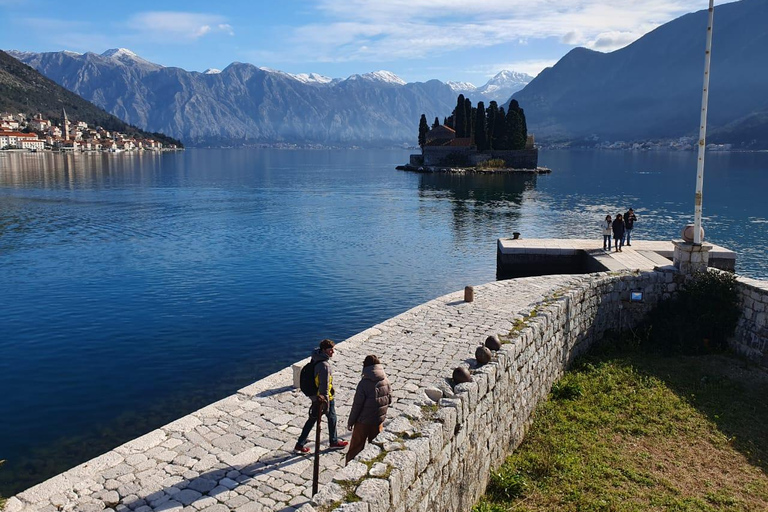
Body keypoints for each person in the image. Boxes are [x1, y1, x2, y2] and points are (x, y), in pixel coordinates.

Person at [295, 339, 349, 453]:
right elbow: (323, 385)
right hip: (323, 398)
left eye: (333, 349)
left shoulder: (315, 358)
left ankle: (300, 444)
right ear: (324, 350)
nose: (332, 352)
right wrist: (325, 403)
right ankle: (333, 442)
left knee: (312, 419)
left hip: (315, 396)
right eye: (330, 350)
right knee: (332, 418)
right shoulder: (324, 365)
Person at [345, 355, 392, 464]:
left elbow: (357, 405)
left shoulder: (364, 383)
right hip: (378, 421)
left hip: (363, 422)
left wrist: (351, 421)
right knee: (375, 447)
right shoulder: (386, 380)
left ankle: (349, 469)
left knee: (355, 448)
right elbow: (390, 399)